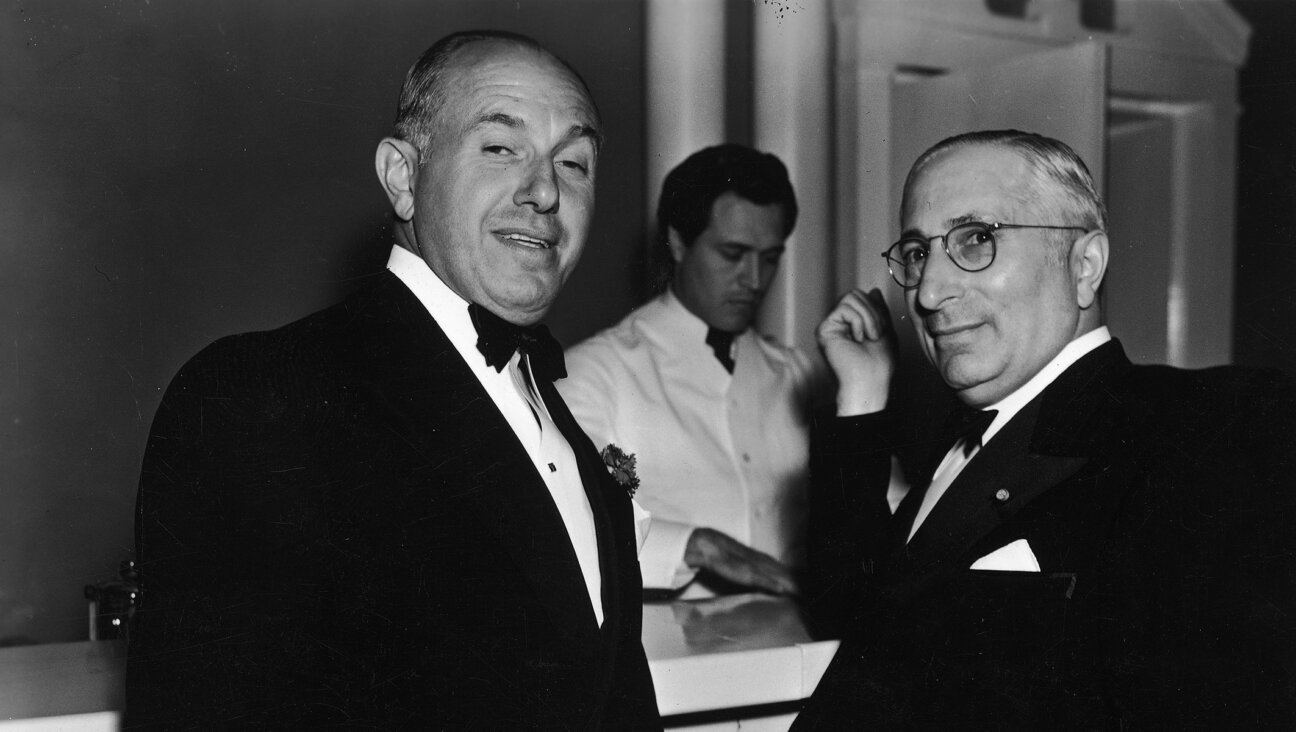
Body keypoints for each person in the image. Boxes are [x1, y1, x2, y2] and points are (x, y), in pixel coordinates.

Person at [126, 31, 661, 730]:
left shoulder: (562, 423)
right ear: (403, 176)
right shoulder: (261, 395)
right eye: (501, 148)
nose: (545, 191)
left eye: (575, 161)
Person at [793, 130, 1296, 729]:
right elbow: (848, 609)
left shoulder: (1202, 431)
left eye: (977, 239)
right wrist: (862, 399)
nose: (928, 291)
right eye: (919, 252)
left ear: (1084, 267)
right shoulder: (964, 438)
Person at [559, 144, 821, 597]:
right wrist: (694, 546)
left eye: (771, 257)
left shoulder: (804, 375)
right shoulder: (593, 373)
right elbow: (565, 527)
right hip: (664, 661)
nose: (755, 280)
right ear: (678, 243)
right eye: (733, 254)